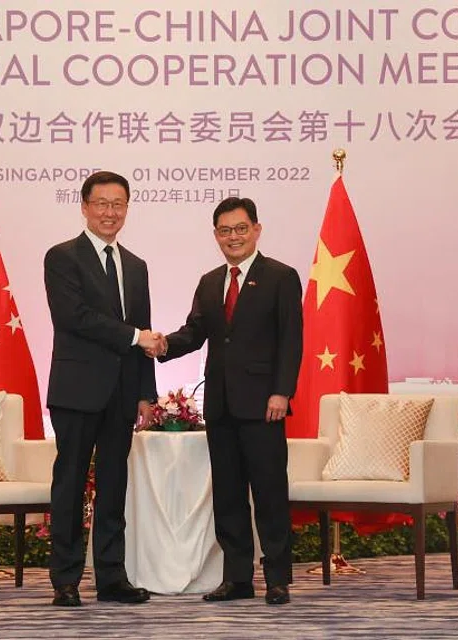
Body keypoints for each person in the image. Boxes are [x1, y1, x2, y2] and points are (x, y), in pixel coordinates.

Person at [154, 196, 302, 605]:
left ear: (256, 229)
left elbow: (292, 340)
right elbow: (195, 331)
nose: (233, 237)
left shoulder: (281, 276)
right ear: (215, 235)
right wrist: (163, 344)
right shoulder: (209, 281)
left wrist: (281, 391)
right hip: (220, 404)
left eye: (240, 229)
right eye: (225, 230)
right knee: (229, 494)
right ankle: (237, 578)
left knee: (270, 492)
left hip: (264, 404)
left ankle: (277, 578)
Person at [43, 171, 161, 607]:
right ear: (84, 206)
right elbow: (75, 317)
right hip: (77, 390)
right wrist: (135, 337)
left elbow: (144, 335)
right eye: (102, 203)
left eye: (119, 204)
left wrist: (145, 392)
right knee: (70, 484)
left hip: (122, 392)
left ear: (127, 208)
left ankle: (112, 578)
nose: (110, 212)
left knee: (114, 487)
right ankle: (66, 579)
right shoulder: (62, 257)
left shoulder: (136, 266)